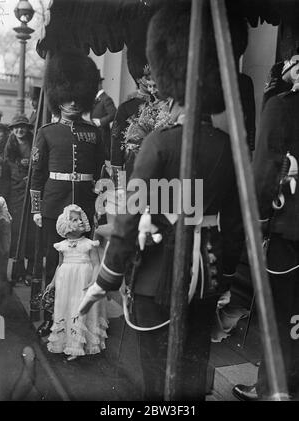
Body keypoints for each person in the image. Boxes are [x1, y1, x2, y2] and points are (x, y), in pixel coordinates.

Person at [79, 5, 246, 401]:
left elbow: (126, 222)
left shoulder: (160, 143)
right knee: (191, 375)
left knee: (157, 381)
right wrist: (224, 282)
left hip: (157, 278)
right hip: (205, 277)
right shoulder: (228, 146)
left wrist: (105, 282)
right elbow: (234, 227)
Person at [232, 54, 299, 401]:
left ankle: (272, 389)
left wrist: (257, 224)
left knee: (281, 312)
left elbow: (263, 175)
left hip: (289, 228)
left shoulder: (282, 106)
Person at [30, 49, 105, 337]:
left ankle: (78, 317)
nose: (73, 101)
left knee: (82, 265)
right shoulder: (48, 132)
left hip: (84, 204)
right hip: (52, 204)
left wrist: (99, 203)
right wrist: (37, 209)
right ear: (57, 96)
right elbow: (37, 174)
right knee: (54, 263)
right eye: (67, 95)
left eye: (78, 95)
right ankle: (52, 317)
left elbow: (101, 172)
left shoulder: (94, 132)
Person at [46, 204, 108, 361]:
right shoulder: (62, 246)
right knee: (66, 307)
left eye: (80, 218)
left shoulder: (89, 244)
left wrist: (94, 281)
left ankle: (79, 346)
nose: (80, 221)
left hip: (83, 281)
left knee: (80, 308)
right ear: (66, 226)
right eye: (74, 220)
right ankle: (68, 342)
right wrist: (53, 282)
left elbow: (96, 264)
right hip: (65, 282)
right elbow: (60, 266)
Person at [4, 115, 35, 286]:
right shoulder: (10, 145)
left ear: (27, 128)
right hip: (16, 193)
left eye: (22, 127)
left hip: (32, 191)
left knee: (32, 232)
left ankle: (31, 271)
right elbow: (8, 168)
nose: (19, 130)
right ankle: (18, 270)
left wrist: (30, 171)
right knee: (17, 232)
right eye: (16, 128)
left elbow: (41, 163)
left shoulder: (35, 141)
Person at [91, 70, 116, 161]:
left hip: (103, 134)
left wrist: (100, 122)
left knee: (101, 157)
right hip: (94, 133)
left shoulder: (106, 99)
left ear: (99, 84)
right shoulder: (94, 98)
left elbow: (114, 113)